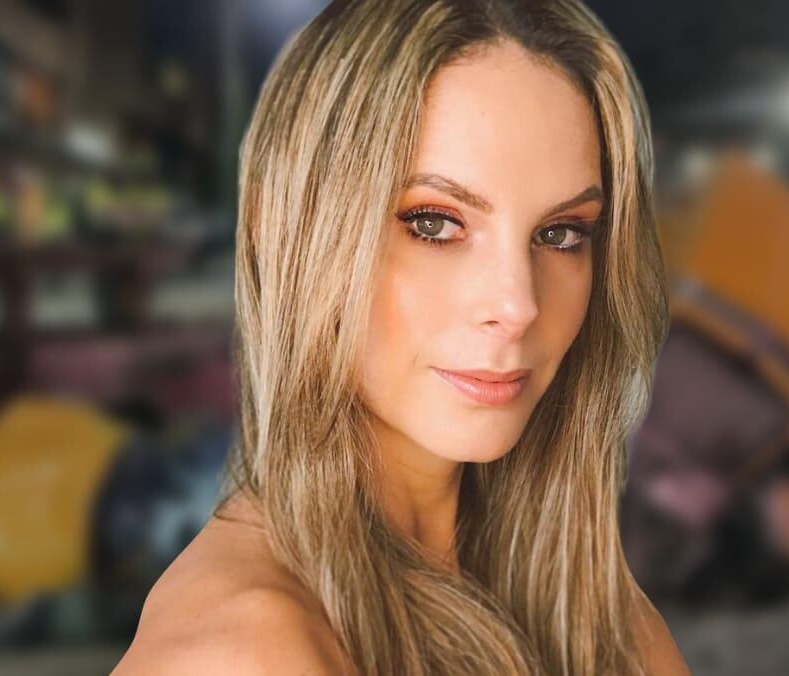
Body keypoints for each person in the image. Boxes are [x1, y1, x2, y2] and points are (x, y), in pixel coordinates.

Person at [113, 0, 690, 674]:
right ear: (287, 233)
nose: (518, 304)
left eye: (561, 233)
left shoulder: (597, 618)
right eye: (434, 223)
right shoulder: (243, 653)